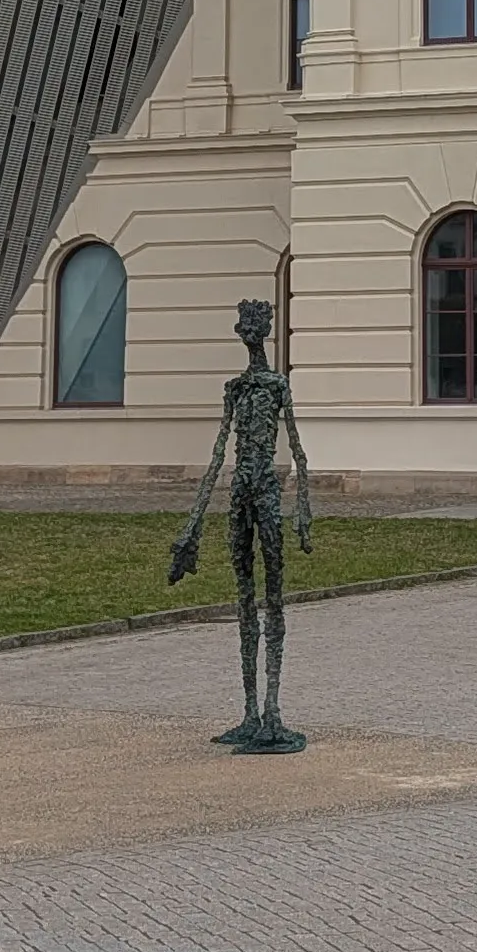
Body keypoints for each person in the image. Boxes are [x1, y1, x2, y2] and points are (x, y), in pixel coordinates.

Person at [168, 296, 316, 750]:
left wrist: (302, 511)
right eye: (244, 328)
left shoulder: (277, 386)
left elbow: (298, 450)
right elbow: (218, 455)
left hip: (267, 494)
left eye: (254, 328)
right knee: (245, 599)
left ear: (263, 332)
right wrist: (193, 523)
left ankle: (273, 713)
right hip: (241, 496)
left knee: (273, 597)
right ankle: (250, 713)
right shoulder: (234, 389)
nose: (249, 335)